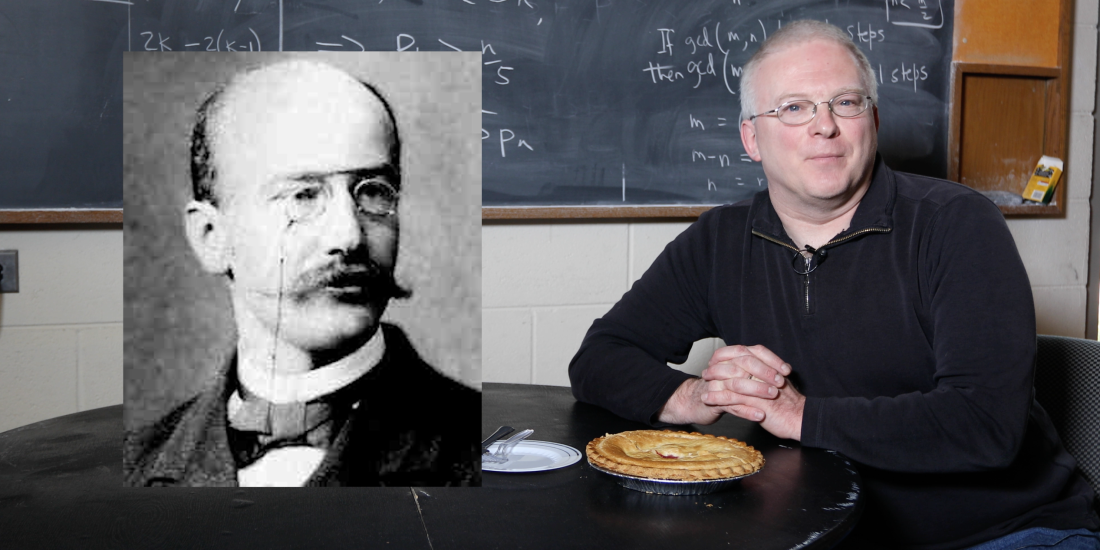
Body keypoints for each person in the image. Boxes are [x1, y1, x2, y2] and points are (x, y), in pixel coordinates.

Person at [569, 20, 1099, 549]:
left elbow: (984, 423)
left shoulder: (957, 225)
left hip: (1000, 532)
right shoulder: (719, 241)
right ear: (752, 137)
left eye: (844, 102)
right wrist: (691, 396)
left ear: (872, 118)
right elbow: (600, 356)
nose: (824, 126)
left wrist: (800, 415)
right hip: (820, 533)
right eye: (794, 108)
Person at [124, 59, 480, 487]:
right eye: (303, 195)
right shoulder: (135, 467)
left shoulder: (482, 448)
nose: (349, 236)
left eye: (372, 192)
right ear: (211, 237)